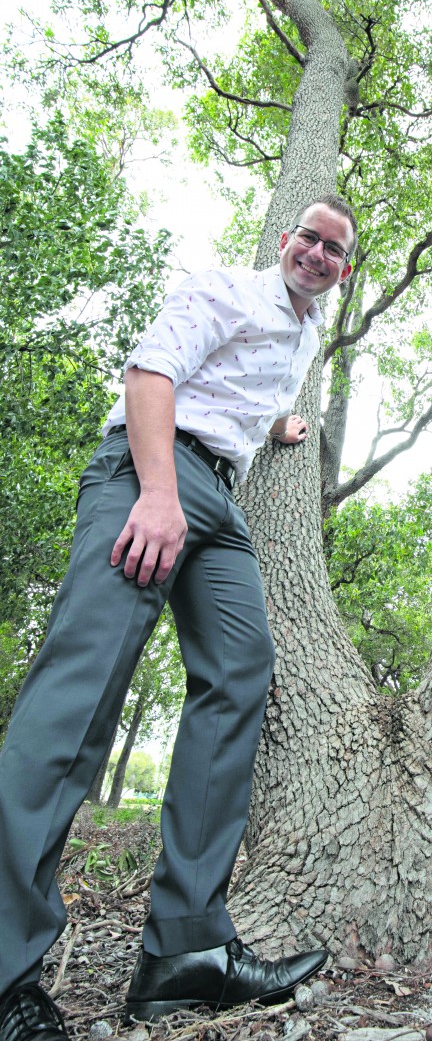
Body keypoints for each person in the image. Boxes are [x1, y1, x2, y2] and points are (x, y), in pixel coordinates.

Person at [0, 194, 356, 1041]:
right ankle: (6, 965)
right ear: (286, 240)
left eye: (334, 248)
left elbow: (237, 393)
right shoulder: (225, 290)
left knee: (241, 675)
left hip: (222, 504)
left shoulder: (303, 334)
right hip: (149, 474)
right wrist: (158, 494)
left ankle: (183, 952)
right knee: (80, 699)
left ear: (343, 269)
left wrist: (280, 425)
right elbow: (153, 376)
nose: (316, 252)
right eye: (308, 237)